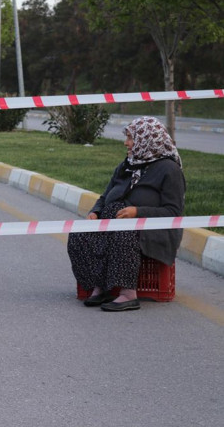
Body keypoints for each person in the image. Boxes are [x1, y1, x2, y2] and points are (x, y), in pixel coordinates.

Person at [67, 116, 185, 312]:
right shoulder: (127, 165)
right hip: (116, 221)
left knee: (123, 228)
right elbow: (105, 196)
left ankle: (128, 294)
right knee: (80, 234)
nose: (126, 143)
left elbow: (173, 212)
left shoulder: (169, 170)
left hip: (153, 230)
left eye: (131, 138)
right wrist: (95, 212)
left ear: (147, 140)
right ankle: (100, 286)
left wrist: (138, 212)